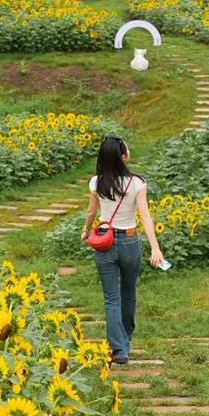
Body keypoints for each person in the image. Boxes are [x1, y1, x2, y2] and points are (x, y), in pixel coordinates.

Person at [81, 135, 163, 365]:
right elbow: (145, 215)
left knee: (111, 298)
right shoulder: (137, 183)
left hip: (104, 242)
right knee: (129, 292)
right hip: (129, 241)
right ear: (123, 156)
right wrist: (155, 248)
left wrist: (86, 232)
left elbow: (90, 213)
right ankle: (123, 342)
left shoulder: (97, 182)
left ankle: (118, 349)